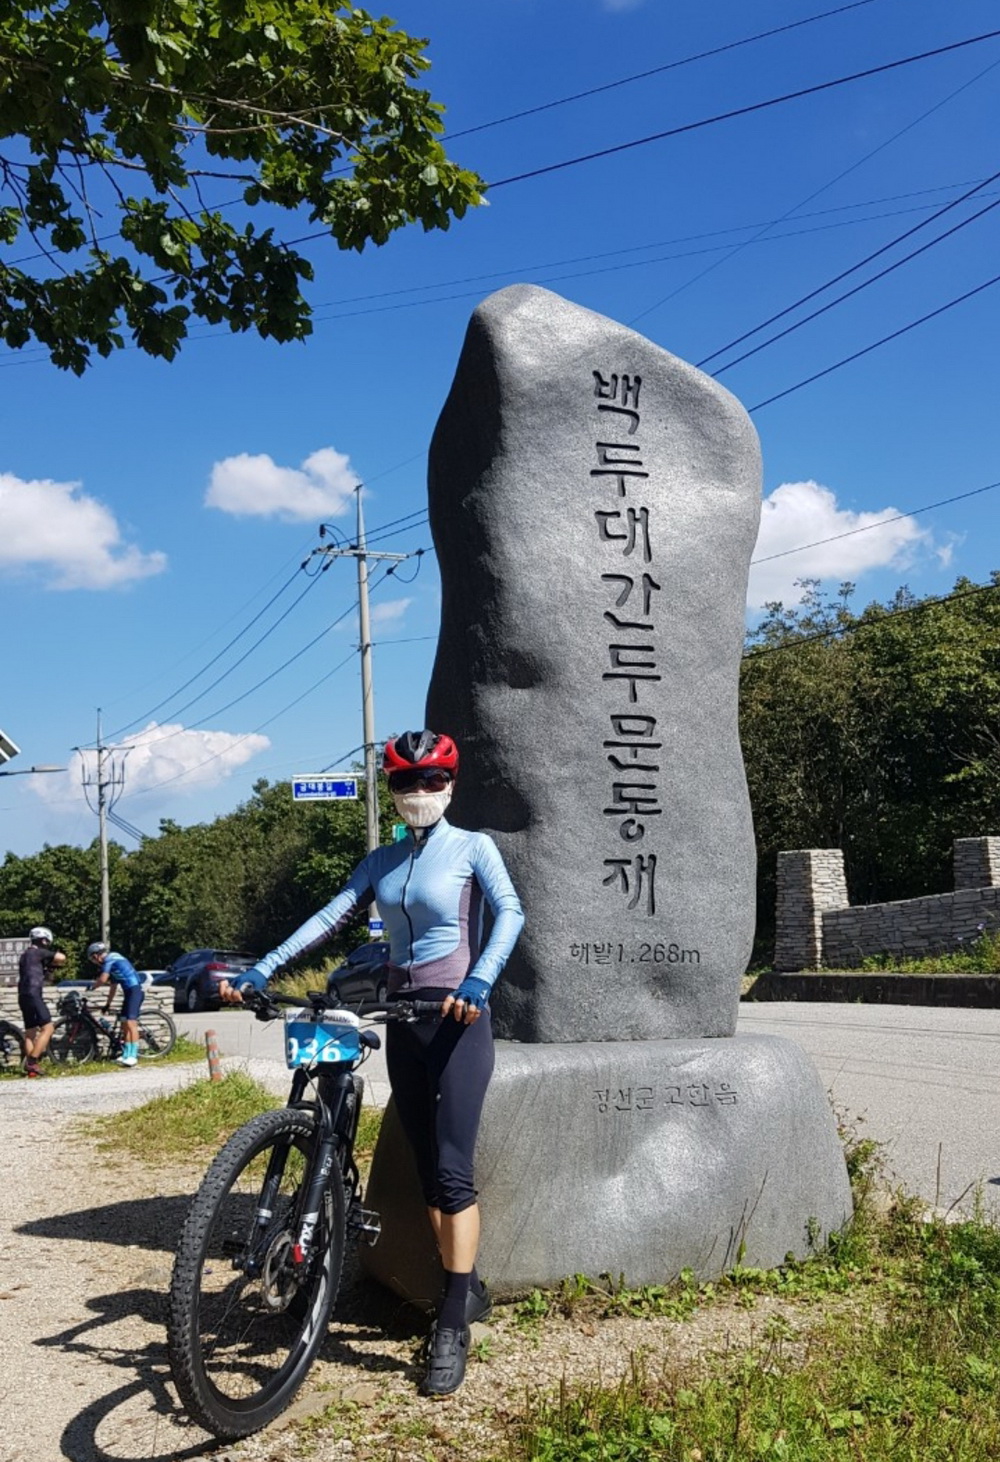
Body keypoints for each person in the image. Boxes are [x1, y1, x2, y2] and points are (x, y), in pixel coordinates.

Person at [220, 728, 524, 1397]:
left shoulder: (474, 847)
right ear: (391, 789)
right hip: (402, 1018)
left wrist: (479, 981)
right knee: (426, 1169)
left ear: (451, 785)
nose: (420, 792)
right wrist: (264, 967)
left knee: (452, 1172)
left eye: (433, 779)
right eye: (407, 781)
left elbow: (510, 913)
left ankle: (452, 1322)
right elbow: (329, 917)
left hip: (456, 1018)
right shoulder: (382, 861)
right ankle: (465, 1286)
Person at [87, 941, 145, 1067]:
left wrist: (92, 987)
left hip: (135, 991)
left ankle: (133, 1055)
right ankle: (126, 1054)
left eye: (92, 959)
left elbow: (103, 979)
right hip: (129, 992)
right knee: (124, 1023)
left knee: (131, 1023)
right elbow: (113, 987)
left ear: (97, 955)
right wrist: (107, 1004)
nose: (94, 962)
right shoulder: (113, 966)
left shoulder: (110, 959)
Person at [18, 926, 66, 1076]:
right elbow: (61, 958)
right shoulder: (39, 952)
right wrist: (52, 961)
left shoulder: (25, 955)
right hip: (34, 994)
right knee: (48, 1028)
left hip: (23, 995)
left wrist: (47, 966)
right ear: (44, 941)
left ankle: (31, 1070)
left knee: (30, 1032)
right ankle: (32, 1062)